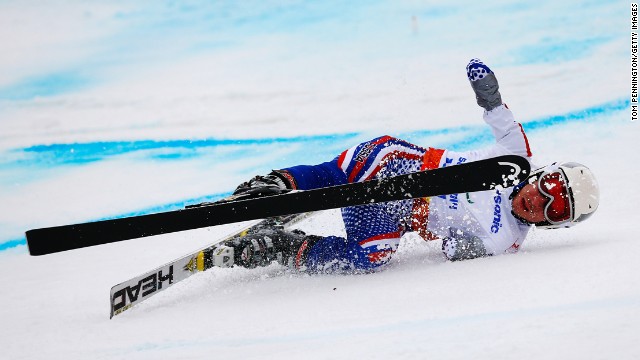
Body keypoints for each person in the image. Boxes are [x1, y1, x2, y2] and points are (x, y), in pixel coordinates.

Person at [216, 59, 600, 273]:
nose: (538, 199)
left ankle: (280, 243)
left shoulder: (506, 242)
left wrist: (464, 247)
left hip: (394, 204)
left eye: (554, 208)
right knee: (350, 181)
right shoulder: (515, 162)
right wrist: (490, 94)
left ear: (556, 223)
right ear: (543, 172)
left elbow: (451, 249)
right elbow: (500, 118)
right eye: (546, 186)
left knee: (367, 255)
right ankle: (276, 186)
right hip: (399, 162)